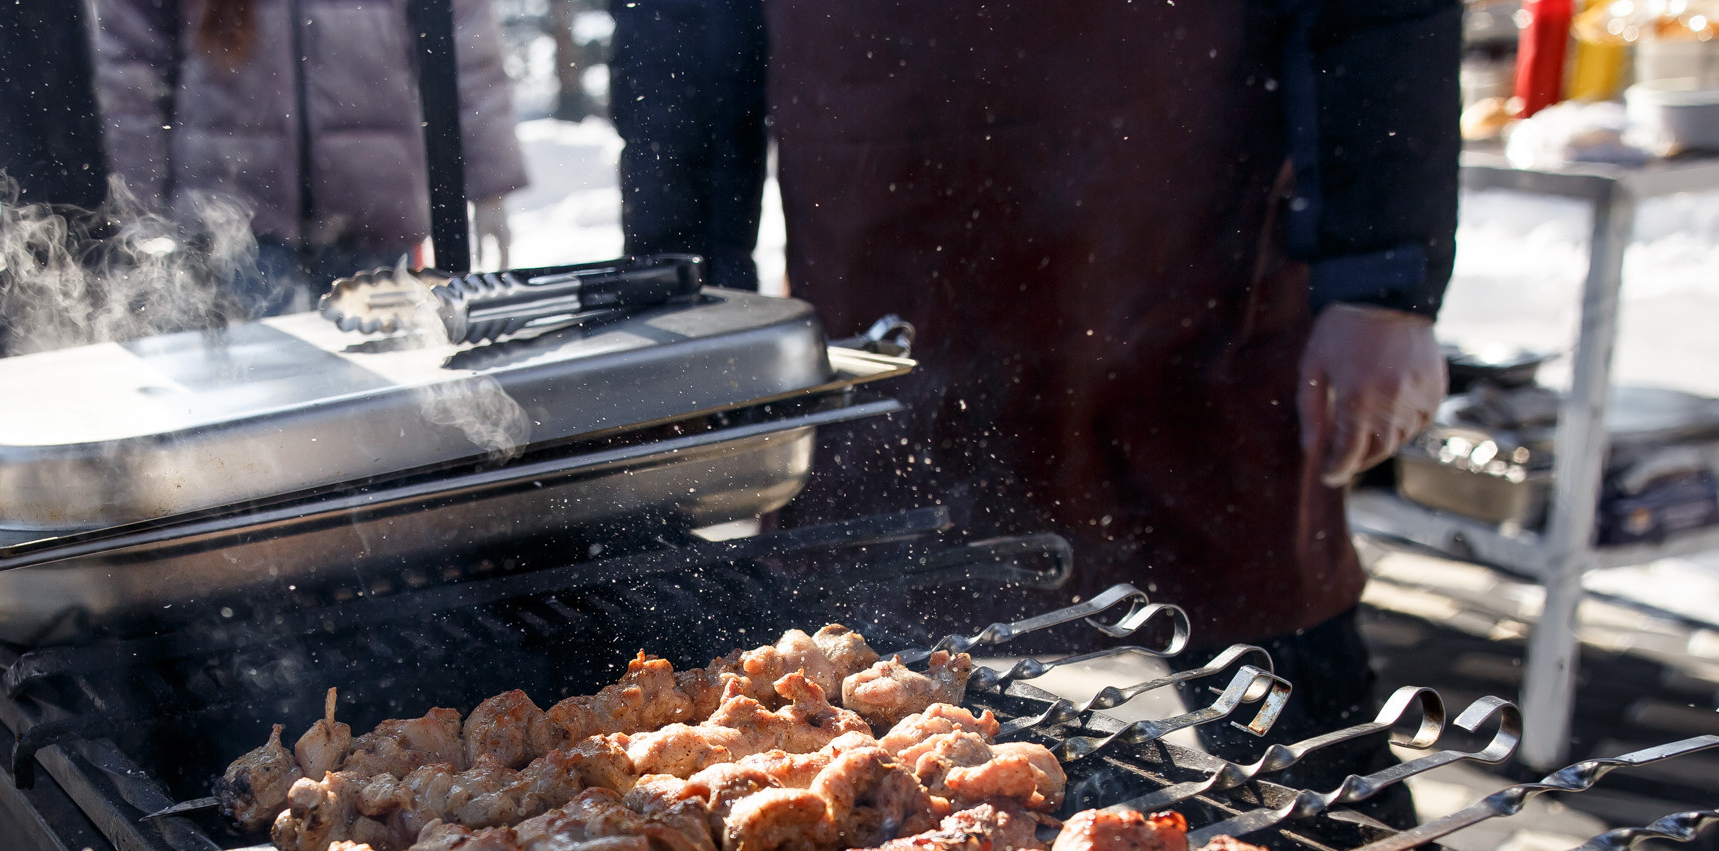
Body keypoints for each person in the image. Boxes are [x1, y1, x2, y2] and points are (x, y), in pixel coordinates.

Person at [766, 0, 1458, 785]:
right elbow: (683, 32)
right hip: (884, 276)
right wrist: (680, 280)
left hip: (1198, 275)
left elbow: (1378, 16)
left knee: (1301, 743)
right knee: (833, 735)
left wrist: (1383, 281)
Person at [93, 0, 529, 302]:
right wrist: (140, 201)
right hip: (231, 216)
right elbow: (132, 64)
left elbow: (464, 47)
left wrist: (491, 182)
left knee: (380, 397)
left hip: (373, 208)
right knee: (251, 402)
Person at [611, 0, 769, 291]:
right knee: (663, 258)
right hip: (663, 72)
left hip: (726, 71)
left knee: (724, 250)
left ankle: (728, 320)